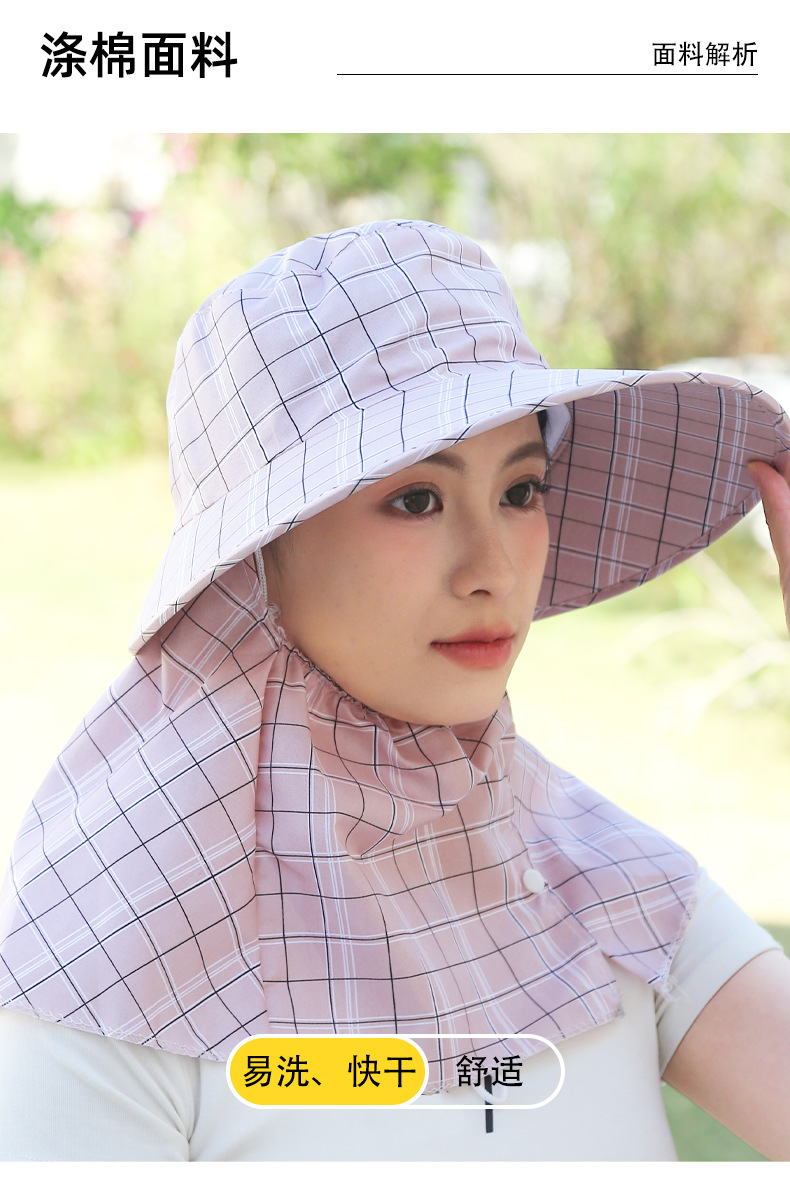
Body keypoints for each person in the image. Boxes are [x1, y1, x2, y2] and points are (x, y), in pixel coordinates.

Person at [0, 218, 789, 1162]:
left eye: (521, 490)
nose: (493, 569)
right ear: (258, 552)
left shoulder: (605, 881)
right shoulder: (106, 964)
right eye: (416, 500)